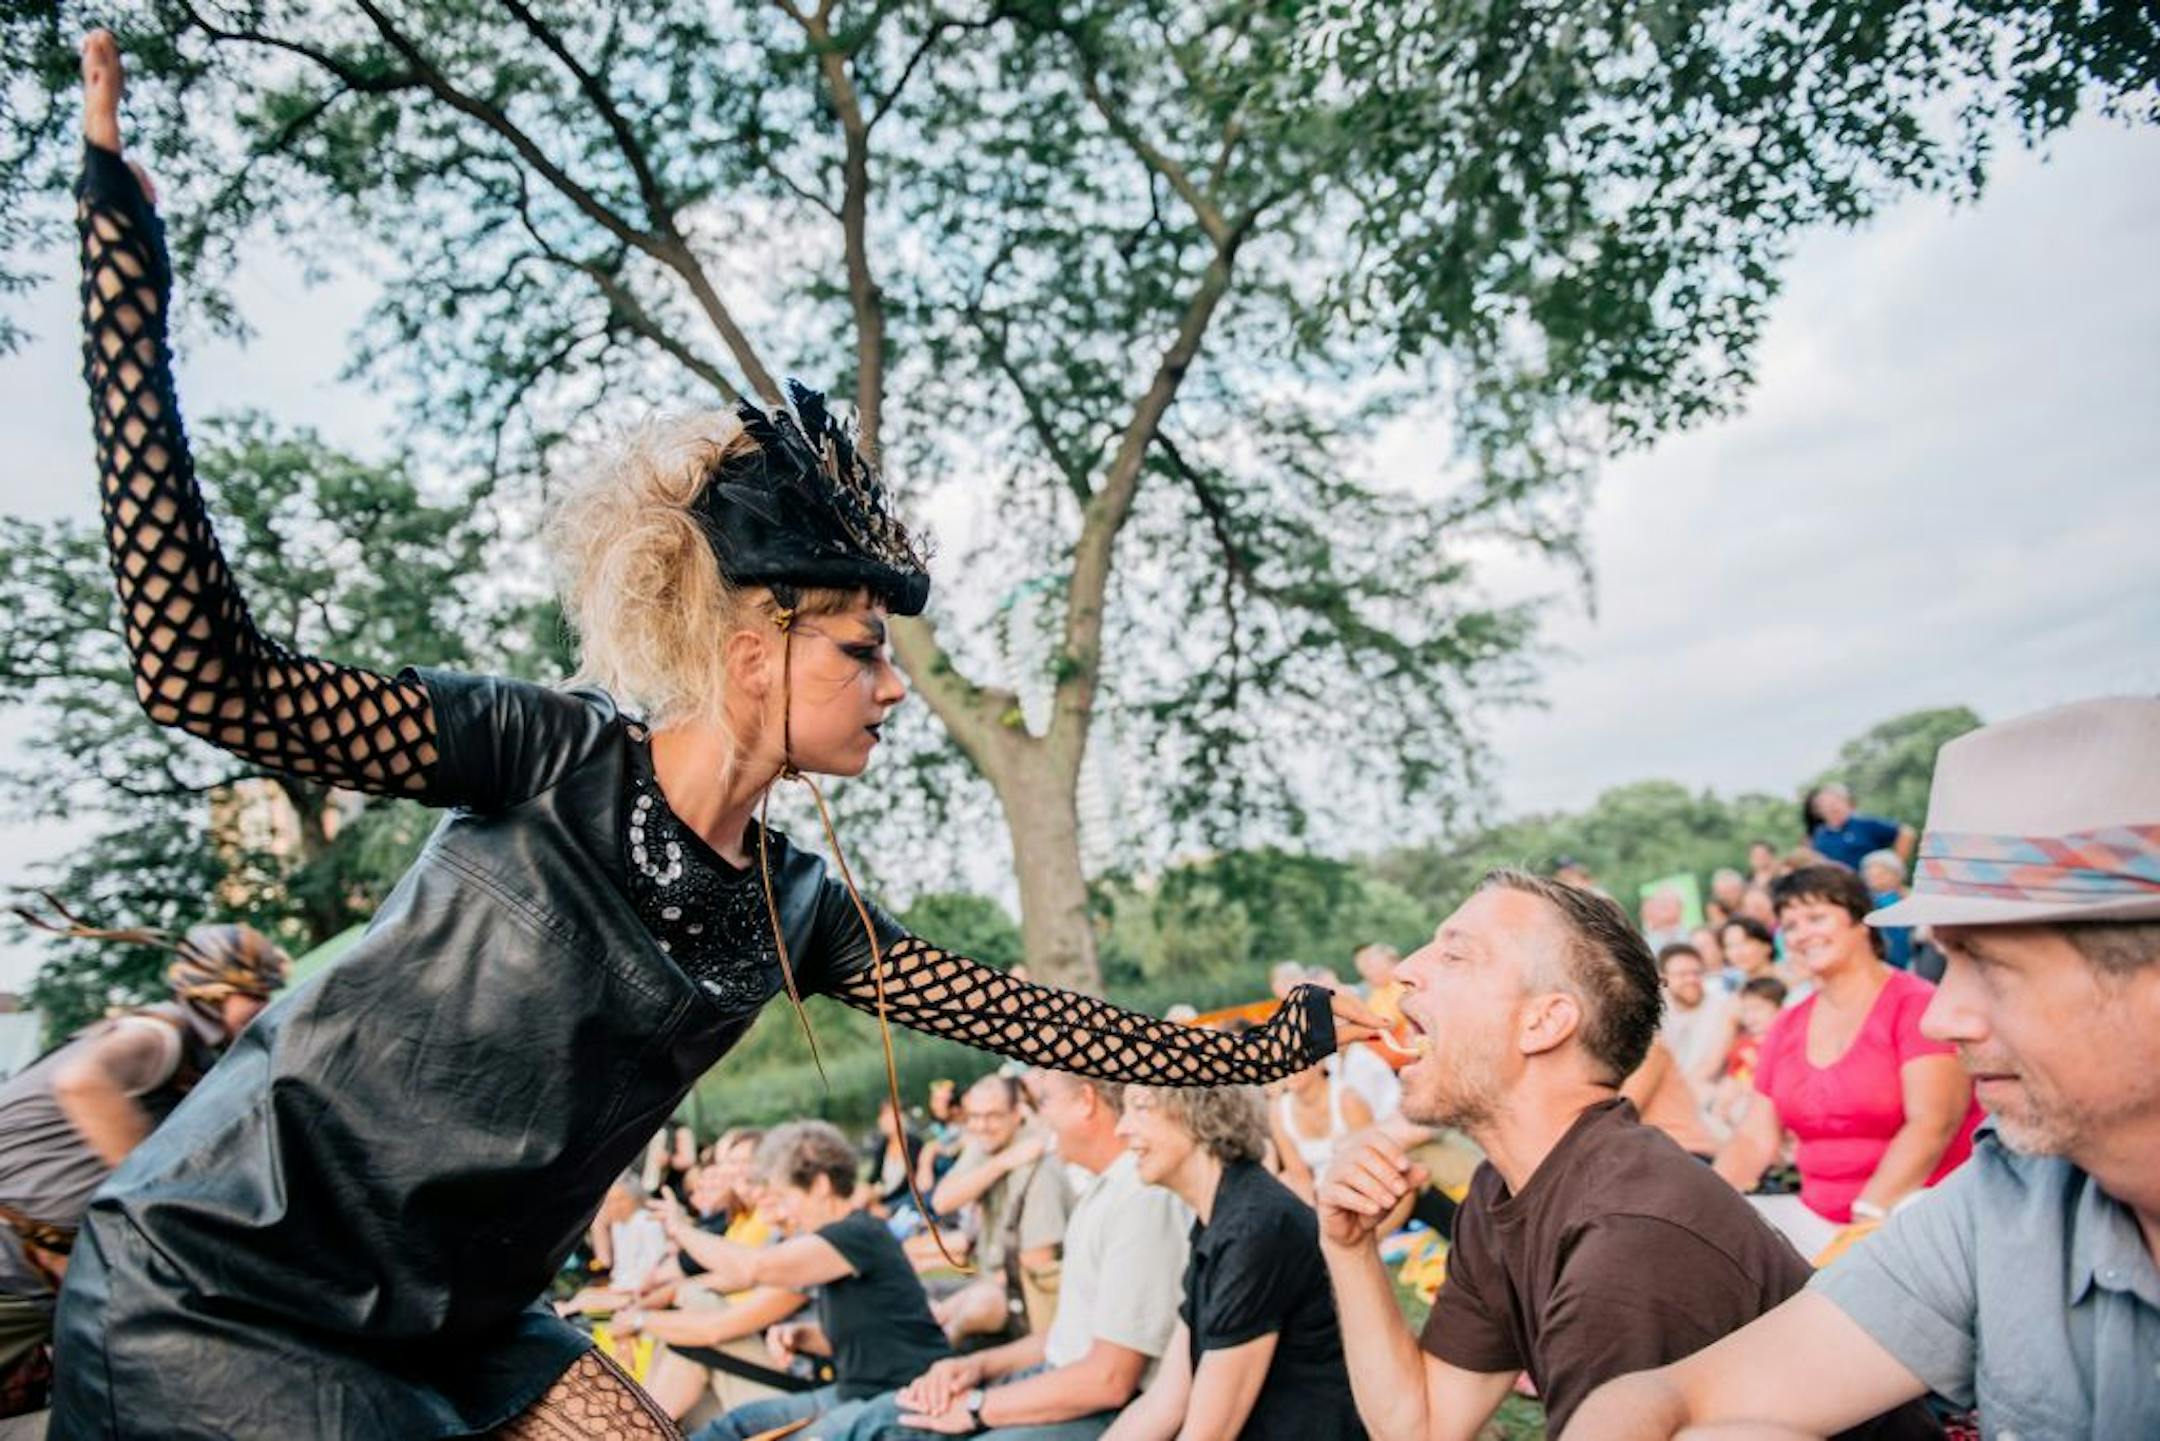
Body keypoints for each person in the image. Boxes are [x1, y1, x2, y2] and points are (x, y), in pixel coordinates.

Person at [55, 35, 1379, 1437]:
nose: (892, 688)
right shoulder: (547, 759)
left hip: (454, 1319)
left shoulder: (798, 910)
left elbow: (1042, 1018)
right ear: (755, 655)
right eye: (861, 651)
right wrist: (124, 275)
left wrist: (1292, 1030)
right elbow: (208, 681)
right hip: (224, 1293)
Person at [1569, 696, 2160, 1439]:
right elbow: (1681, 1398)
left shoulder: (1914, 1021)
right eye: (1950, 959)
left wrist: (1866, 1220)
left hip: (1884, 1210)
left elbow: (1930, 1126)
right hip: (1829, 1216)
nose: (1945, 1017)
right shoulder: (2010, 1196)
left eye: (1994, 966)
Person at [1311, 869, 1937, 1440]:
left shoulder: (1630, 1241)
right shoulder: (1501, 1189)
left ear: (1543, 1022)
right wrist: (1349, 1249)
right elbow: (1421, 1426)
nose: (1405, 971)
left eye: (1455, 954)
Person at [0, 919, 288, 1415]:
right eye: (253, 994)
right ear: (210, 992)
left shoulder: (195, 1058)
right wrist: (153, 1196)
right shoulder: (158, 1034)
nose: (265, 1006)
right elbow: (81, 1081)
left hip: (46, 1277)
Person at [839, 1070, 1189, 1441]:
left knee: (886, 1429)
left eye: (1043, 1101)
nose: (1036, 1116)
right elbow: (1068, 1339)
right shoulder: (1105, 1190)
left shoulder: (1140, 1199)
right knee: (881, 1418)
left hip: (1106, 1411)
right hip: (1064, 1380)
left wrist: (977, 1406)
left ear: (1086, 1102)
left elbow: (1110, 1379)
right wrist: (976, 1366)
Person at [1713, 866, 1981, 1229]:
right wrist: (1699, 1209)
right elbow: (1753, 1138)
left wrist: (1867, 1215)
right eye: (1790, 925)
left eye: (1816, 918)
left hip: (1914, 1213)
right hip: (1818, 1219)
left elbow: (1934, 1122)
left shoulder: (1916, 1005)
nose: (1802, 934)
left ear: (1861, 921)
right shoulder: (1787, 1024)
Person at [656, 1122, 948, 1441]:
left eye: (785, 1196)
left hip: (901, 1397)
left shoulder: (855, 1235)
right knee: (730, 1426)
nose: (785, 1210)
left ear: (821, 1185)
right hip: (855, 1392)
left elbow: (753, 1268)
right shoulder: (843, 1240)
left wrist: (680, 1229)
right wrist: (802, 1336)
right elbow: (876, 1336)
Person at [1105, 1085, 1362, 1441]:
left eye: (1141, 1107)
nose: (1121, 1128)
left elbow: (1208, 1435)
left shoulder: (1255, 1227)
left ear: (1197, 1109)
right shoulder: (1221, 1216)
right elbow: (1165, 1402)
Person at [928, 1075, 1072, 1344]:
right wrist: (1000, 1164)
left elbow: (1033, 1268)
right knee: (920, 1296)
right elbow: (941, 1201)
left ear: (1017, 1114)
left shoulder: (1039, 1169)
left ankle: (941, 1350)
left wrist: (954, 1305)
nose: (981, 1126)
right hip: (989, 1279)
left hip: (1027, 1298)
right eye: (974, 1116)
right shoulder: (985, 1146)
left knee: (974, 1307)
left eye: (993, 1115)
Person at [1268, 1060, 1374, 1205]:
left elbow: (1369, 1160)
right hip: (1319, 1194)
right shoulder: (1277, 1112)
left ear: (1319, 1063)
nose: (1289, 1071)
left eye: (1296, 1062)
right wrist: (1313, 1211)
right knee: (1284, 1181)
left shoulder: (1348, 1099)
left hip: (1359, 1186)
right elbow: (1299, 1175)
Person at [1655, 942, 1736, 1099]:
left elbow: (1712, 1065)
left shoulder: (1723, 1007)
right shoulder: (1653, 1011)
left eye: (1697, 973)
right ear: (1663, 978)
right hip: (1662, 1092)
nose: (1692, 979)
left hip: (1704, 1091)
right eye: (1682, 974)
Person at [1806, 783, 1917, 872]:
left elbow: (1907, 833)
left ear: (1847, 802)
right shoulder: (1819, 835)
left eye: (1835, 802)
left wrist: (1895, 868)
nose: (1832, 808)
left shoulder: (1864, 823)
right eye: (1825, 805)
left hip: (1871, 888)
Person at [1861, 849, 1917, 972]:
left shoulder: (1910, 897)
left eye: (1882, 875)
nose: (1876, 879)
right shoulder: (1866, 899)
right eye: (1871, 876)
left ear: (1897, 875)